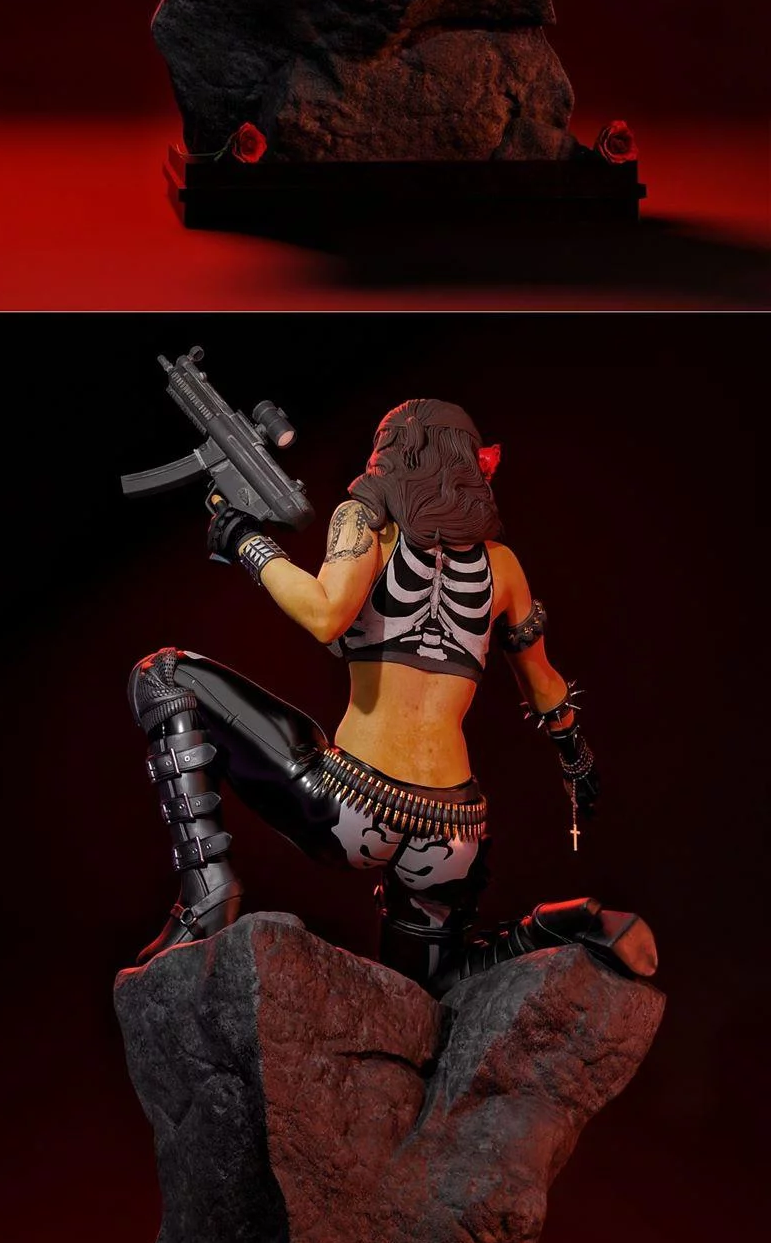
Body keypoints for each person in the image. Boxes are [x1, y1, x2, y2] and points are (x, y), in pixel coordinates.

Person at [128, 385, 657, 995]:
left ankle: (207, 893)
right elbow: (543, 684)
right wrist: (575, 759)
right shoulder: (503, 565)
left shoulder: (366, 525)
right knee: (428, 988)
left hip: (356, 805)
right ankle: (567, 923)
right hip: (452, 828)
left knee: (163, 674)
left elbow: (325, 615)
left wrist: (245, 542)